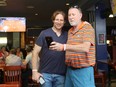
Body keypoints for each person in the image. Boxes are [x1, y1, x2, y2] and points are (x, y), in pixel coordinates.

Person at [50, 5, 96, 87]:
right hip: (70, 70)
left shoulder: (87, 27)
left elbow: (85, 48)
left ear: (80, 15)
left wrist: (63, 47)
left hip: (83, 70)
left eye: (73, 14)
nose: (71, 17)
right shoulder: (70, 31)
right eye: (69, 15)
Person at [32, 10, 67, 87]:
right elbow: (35, 52)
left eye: (61, 20)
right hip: (45, 74)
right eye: (57, 19)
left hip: (61, 75)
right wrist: (34, 71)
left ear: (64, 22)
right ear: (53, 20)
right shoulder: (44, 33)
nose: (59, 22)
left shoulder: (67, 35)